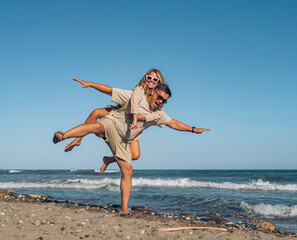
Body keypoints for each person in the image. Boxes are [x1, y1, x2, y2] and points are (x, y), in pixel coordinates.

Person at [53, 80, 210, 215]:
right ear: (153, 92)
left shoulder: (159, 114)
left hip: (125, 138)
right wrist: (91, 84)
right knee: (96, 125)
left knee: (129, 167)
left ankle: (124, 209)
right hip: (112, 124)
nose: (161, 101)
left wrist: (193, 129)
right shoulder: (135, 97)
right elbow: (110, 90)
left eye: (165, 100)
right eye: (160, 97)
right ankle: (64, 136)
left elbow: (173, 122)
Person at [64, 69, 166, 161]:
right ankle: (78, 140)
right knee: (96, 112)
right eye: (149, 77)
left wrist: (142, 118)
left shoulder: (159, 99)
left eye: (155, 79)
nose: (151, 81)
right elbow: (110, 91)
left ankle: (109, 160)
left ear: (159, 82)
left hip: (135, 126)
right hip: (121, 113)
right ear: (145, 78)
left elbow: (159, 114)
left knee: (135, 155)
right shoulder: (139, 89)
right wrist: (90, 84)